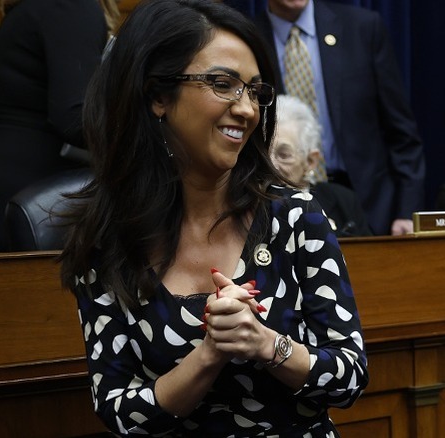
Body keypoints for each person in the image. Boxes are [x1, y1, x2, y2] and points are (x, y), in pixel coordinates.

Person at [59, 1, 369, 436]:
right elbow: (118, 412)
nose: (246, 109)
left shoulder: (295, 218)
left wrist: (265, 343)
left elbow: (349, 380)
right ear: (158, 97)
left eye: (255, 91)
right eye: (222, 84)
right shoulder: (107, 241)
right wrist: (209, 355)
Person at [253, 0, 425, 236]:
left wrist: (407, 211)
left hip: (370, 208)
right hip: (280, 210)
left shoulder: (362, 28)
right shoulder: (248, 38)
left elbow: (402, 132)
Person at [0, 0, 119, 252]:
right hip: (32, 211)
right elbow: (74, 118)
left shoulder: (43, 7)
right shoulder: (69, 6)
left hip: (3, 199)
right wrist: (157, 135)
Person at [272, 94, 372, 237]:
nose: (271, 165)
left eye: (284, 155)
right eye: (264, 154)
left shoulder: (344, 202)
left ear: (311, 161)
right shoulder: (244, 205)